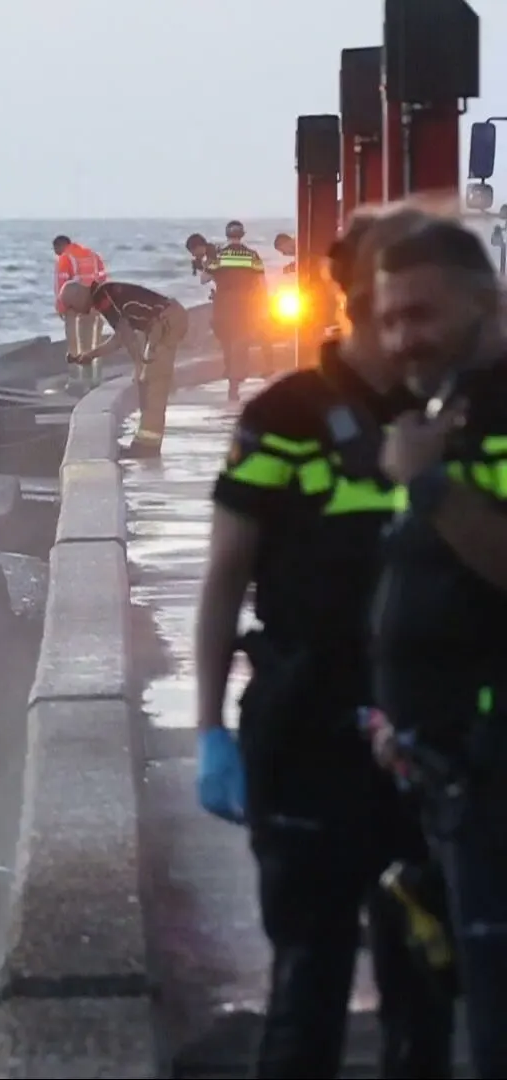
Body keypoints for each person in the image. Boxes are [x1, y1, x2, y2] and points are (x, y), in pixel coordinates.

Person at [193, 209, 453, 1078]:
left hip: (436, 741)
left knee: (430, 992)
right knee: (308, 984)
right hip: (305, 731)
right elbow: (226, 580)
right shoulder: (284, 417)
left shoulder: (460, 410)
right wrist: (209, 731)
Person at [367, 218, 507, 1076]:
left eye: (420, 314)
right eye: (388, 320)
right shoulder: (439, 412)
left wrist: (427, 485)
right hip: (440, 780)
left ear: (487, 303)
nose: (401, 338)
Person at [68, 279, 190, 457]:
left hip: (166, 320)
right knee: (148, 382)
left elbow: (127, 335)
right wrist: (90, 355)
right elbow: (120, 338)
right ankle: (145, 443)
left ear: (79, 296)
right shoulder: (106, 294)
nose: (77, 313)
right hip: (164, 321)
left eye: (73, 307)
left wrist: (140, 364)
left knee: (154, 383)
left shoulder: (103, 297)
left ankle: (148, 447)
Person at [205, 220, 270, 402]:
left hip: (223, 304)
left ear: (227, 235)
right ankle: (236, 380)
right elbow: (261, 283)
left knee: (227, 341)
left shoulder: (220, 256)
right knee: (241, 342)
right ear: (242, 234)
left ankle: (230, 374)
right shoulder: (252, 256)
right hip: (245, 305)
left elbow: (204, 278)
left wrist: (209, 262)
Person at [52, 235, 110, 365]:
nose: (56, 254)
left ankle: (76, 365)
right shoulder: (93, 255)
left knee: (73, 332)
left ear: (60, 246)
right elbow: (102, 277)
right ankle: (93, 369)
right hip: (94, 298)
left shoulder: (65, 258)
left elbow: (61, 284)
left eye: (55, 250)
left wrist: (61, 306)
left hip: (74, 301)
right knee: (92, 334)